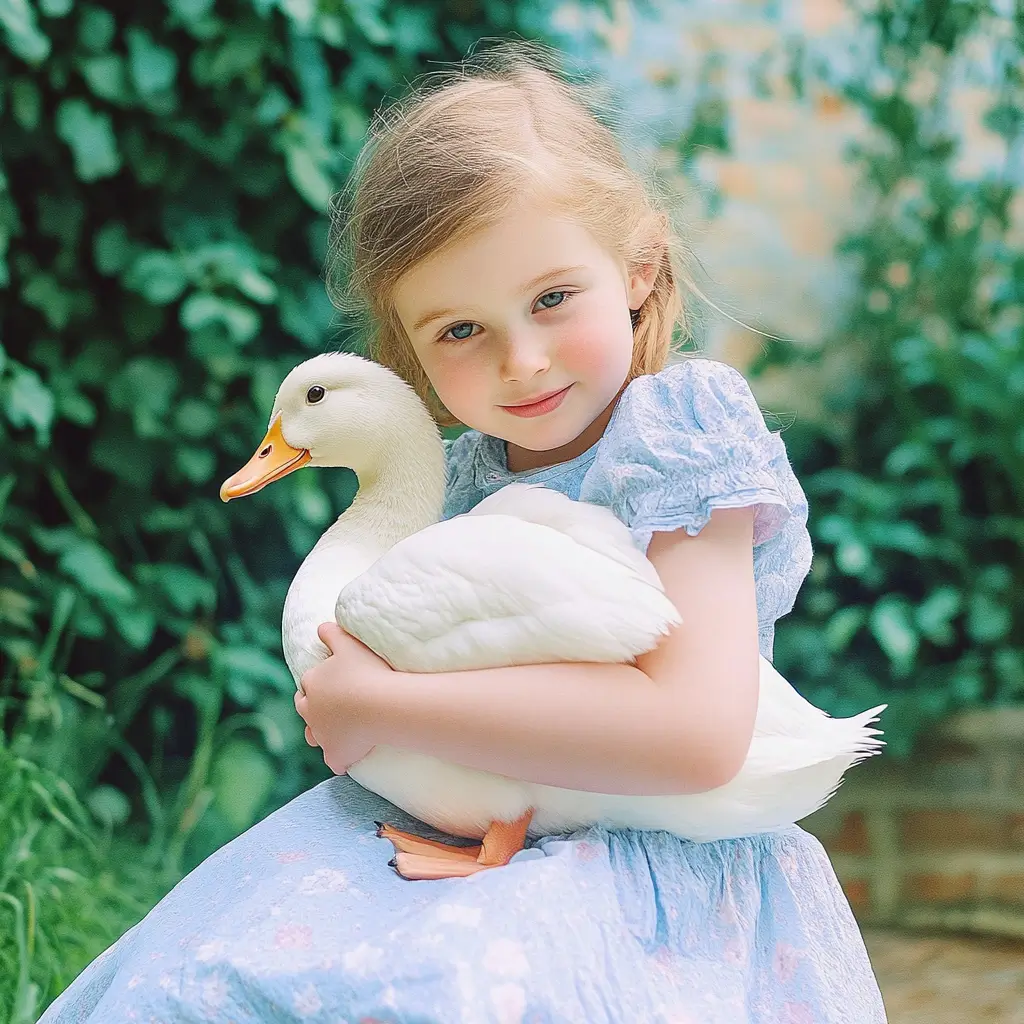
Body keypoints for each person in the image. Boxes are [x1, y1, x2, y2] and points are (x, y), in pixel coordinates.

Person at [41, 42, 886, 1024]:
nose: (523, 362)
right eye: (460, 330)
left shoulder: (678, 437)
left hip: (650, 881)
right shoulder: (467, 477)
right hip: (504, 839)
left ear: (640, 270)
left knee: (453, 992)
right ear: (408, 349)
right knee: (203, 973)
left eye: (551, 300)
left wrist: (392, 706)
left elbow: (694, 736)